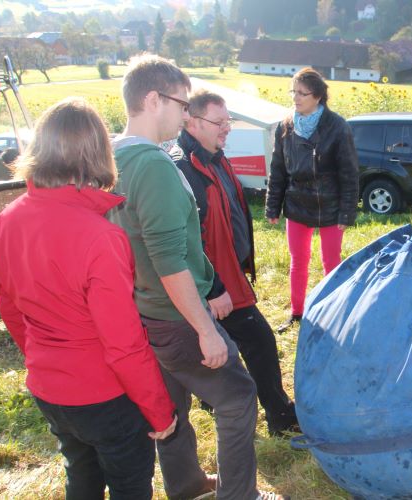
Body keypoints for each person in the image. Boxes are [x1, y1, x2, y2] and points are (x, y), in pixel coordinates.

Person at [109, 55, 284, 500]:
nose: (185, 114)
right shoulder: (153, 164)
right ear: (153, 100)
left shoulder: (113, 155)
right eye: (180, 104)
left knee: (170, 404)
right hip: (175, 315)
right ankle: (239, 495)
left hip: (141, 311)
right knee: (239, 396)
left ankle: (186, 484)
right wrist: (206, 328)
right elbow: (169, 257)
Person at [0, 97, 177, 499]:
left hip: (48, 387)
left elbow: (11, 309)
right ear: (98, 155)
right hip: (104, 395)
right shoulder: (100, 236)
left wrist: (46, 361)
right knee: (129, 485)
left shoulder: (7, 219)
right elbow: (123, 343)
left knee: (82, 476)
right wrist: (160, 410)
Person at [171, 88, 299, 436]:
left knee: (219, 343)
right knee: (258, 341)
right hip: (215, 283)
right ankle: (280, 416)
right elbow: (187, 240)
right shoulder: (184, 166)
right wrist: (213, 288)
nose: (226, 128)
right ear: (193, 121)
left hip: (230, 274)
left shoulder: (216, 155)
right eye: (219, 122)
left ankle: (215, 403)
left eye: (229, 121)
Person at [265, 67, 359, 333]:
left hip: (330, 203)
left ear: (317, 96)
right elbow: (278, 169)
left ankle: (334, 312)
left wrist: (346, 213)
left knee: (331, 262)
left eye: (302, 93)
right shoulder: (285, 126)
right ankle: (297, 313)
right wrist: (273, 205)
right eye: (293, 91)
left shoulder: (338, 126)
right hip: (296, 204)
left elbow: (350, 173)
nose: (295, 98)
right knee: (298, 262)